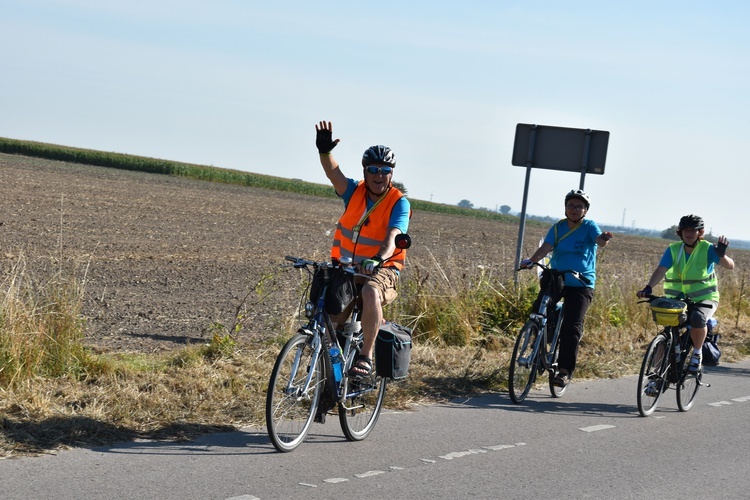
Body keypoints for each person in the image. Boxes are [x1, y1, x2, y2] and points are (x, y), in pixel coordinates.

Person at [315, 120, 411, 378]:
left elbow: (394, 235)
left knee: (370, 292)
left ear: (391, 173)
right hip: (346, 266)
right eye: (373, 170)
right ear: (365, 172)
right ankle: (327, 382)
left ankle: (365, 356)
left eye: (385, 170)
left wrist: (378, 258)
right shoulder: (353, 192)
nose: (379, 175)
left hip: (383, 268)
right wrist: (325, 153)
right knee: (329, 321)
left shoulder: (398, 202)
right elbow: (333, 174)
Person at [519, 189, 613, 387]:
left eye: (579, 206)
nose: (574, 209)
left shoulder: (589, 226)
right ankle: (538, 351)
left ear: (585, 211)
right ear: (565, 208)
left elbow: (599, 242)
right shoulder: (558, 227)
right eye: (571, 205)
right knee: (538, 312)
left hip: (581, 283)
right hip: (558, 278)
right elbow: (546, 247)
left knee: (572, 326)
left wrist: (604, 238)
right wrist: (531, 261)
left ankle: (563, 371)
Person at [636, 214, 734, 373]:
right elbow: (661, 269)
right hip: (677, 299)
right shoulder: (673, 249)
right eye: (685, 231)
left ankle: (697, 355)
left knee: (697, 318)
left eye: (693, 231)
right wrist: (648, 287)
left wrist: (721, 254)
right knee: (667, 333)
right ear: (680, 232)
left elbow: (730, 266)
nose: (689, 234)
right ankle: (655, 375)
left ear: (699, 233)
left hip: (705, 298)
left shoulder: (707, 248)